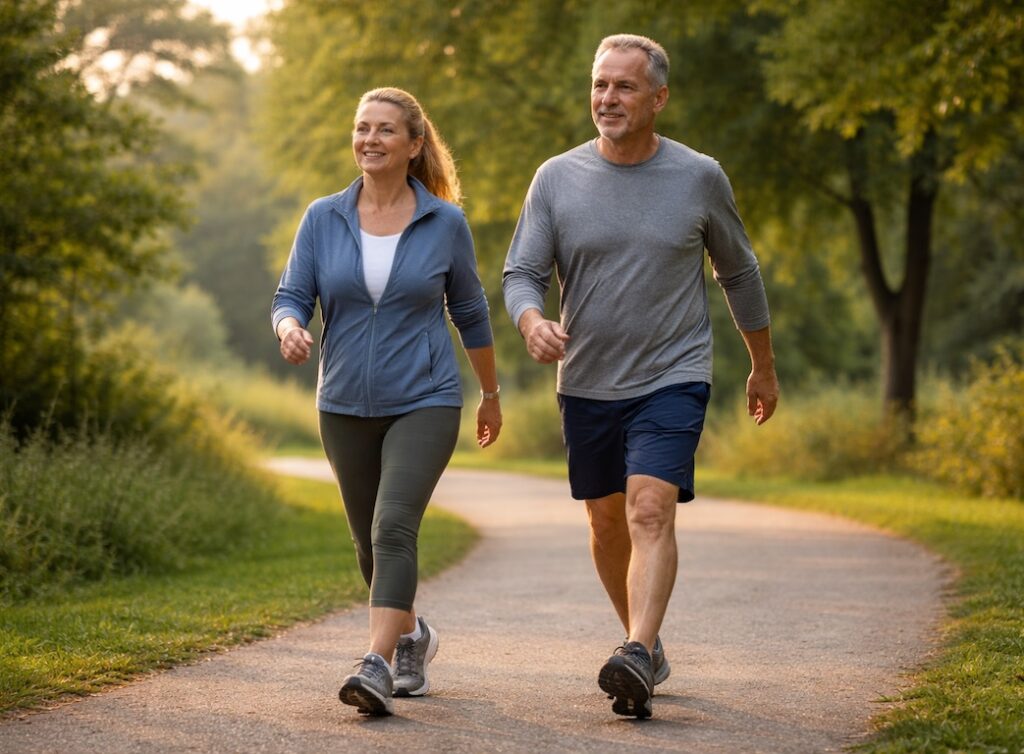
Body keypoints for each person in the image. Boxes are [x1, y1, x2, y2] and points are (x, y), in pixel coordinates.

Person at [502, 34, 779, 719]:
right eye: (600, 85)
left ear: (659, 98)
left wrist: (762, 366)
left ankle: (634, 648)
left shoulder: (698, 177)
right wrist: (532, 321)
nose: (608, 99)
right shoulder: (556, 178)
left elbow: (738, 272)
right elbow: (521, 273)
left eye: (624, 87)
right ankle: (645, 651)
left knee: (649, 507)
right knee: (605, 523)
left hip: (672, 373)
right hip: (588, 378)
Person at [272, 87, 501, 717]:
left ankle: (372, 664)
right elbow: (291, 294)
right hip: (342, 400)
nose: (369, 139)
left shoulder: (444, 223)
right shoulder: (324, 217)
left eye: (385, 130)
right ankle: (411, 638)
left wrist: (489, 393)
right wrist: (289, 327)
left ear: (414, 145)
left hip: (424, 399)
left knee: (393, 525)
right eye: (361, 128)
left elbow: (471, 312)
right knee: (368, 545)